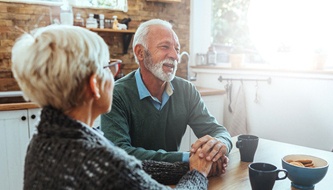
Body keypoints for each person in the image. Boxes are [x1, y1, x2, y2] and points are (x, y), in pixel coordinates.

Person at [11, 24, 213, 189]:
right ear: (94, 84)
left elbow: (133, 168)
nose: (115, 75)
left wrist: (186, 165)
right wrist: (198, 173)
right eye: (109, 67)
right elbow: (120, 169)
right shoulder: (99, 161)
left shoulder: (45, 138)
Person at [101, 19, 233, 176]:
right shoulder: (115, 94)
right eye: (165, 47)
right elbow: (119, 152)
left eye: (177, 49)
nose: (175, 56)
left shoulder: (186, 90)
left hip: (175, 178)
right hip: (131, 180)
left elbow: (216, 130)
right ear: (140, 52)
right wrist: (189, 159)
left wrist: (218, 147)